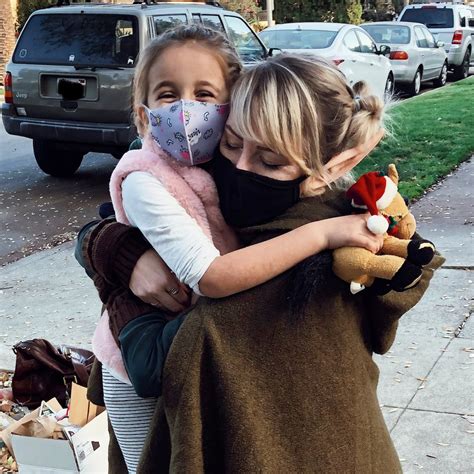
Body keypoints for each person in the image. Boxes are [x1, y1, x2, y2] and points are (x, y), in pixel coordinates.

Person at [78, 54, 443, 472]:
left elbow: (156, 360)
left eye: (270, 161)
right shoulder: (243, 199)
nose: (240, 168)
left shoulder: (303, 260)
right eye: (231, 143)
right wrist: (109, 242)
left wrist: (114, 283)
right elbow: (125, 205)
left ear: (331, 166)